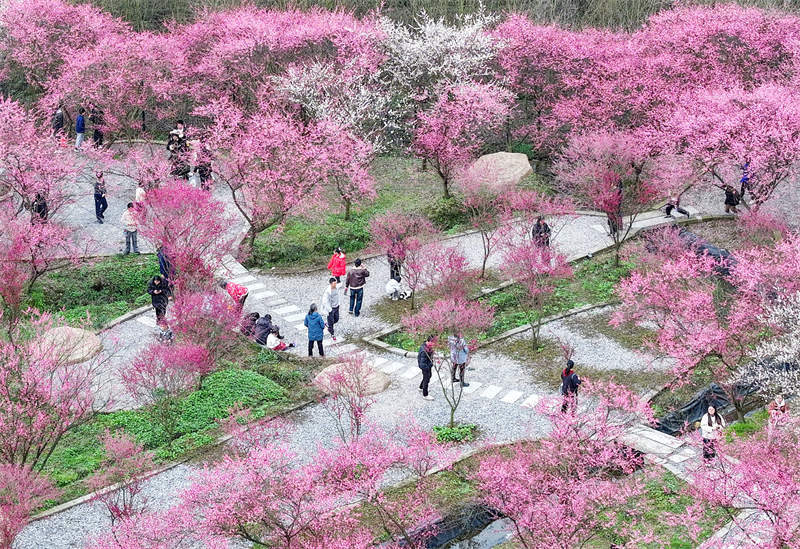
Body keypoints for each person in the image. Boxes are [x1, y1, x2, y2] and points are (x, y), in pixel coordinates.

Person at [319, 277, 340, 342]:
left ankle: (328, 324)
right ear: (331, 284)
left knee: (336, 319)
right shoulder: (328, 291)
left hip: (337, 306)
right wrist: (329, 309)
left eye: (336, 283)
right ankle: (332, 333)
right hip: (331, 308)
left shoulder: (337, 287)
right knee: (331, 322)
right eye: (334, 283)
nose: (335, 284)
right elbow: (324, 301)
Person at [417, 336, 435, 401]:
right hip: (425, 367)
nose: (434, 345)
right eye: (433, 343)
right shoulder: (424, 351)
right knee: (426, 379)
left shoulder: (427, 346)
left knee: (429, 376)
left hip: (428, 365)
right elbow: (422, 364)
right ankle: (425, 395)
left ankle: (421, 387)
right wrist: (429, 365)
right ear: (429, 341)